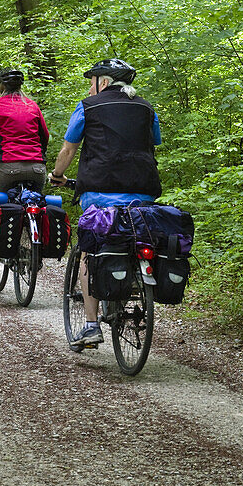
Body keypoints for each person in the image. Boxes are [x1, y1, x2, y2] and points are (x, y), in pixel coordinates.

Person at [50, 58, 162, 348]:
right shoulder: (146, 107)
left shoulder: (88, 107)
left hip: (100, 191)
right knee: (134, 238)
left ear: (104, 81)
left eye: (92, 81)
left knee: (90, 250)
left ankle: (90, 325)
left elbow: (69, 148)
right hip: (144, 191)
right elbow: (154, 142)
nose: (90, 87)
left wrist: (57, 175)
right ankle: (135, 281)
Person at [0, 69, 49, 193]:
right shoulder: (32, 105)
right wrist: (40, 152)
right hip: (37, 167)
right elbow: (44, 135)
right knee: (36, 201)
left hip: (9, 164)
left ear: (2, 86)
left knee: (0, 205)